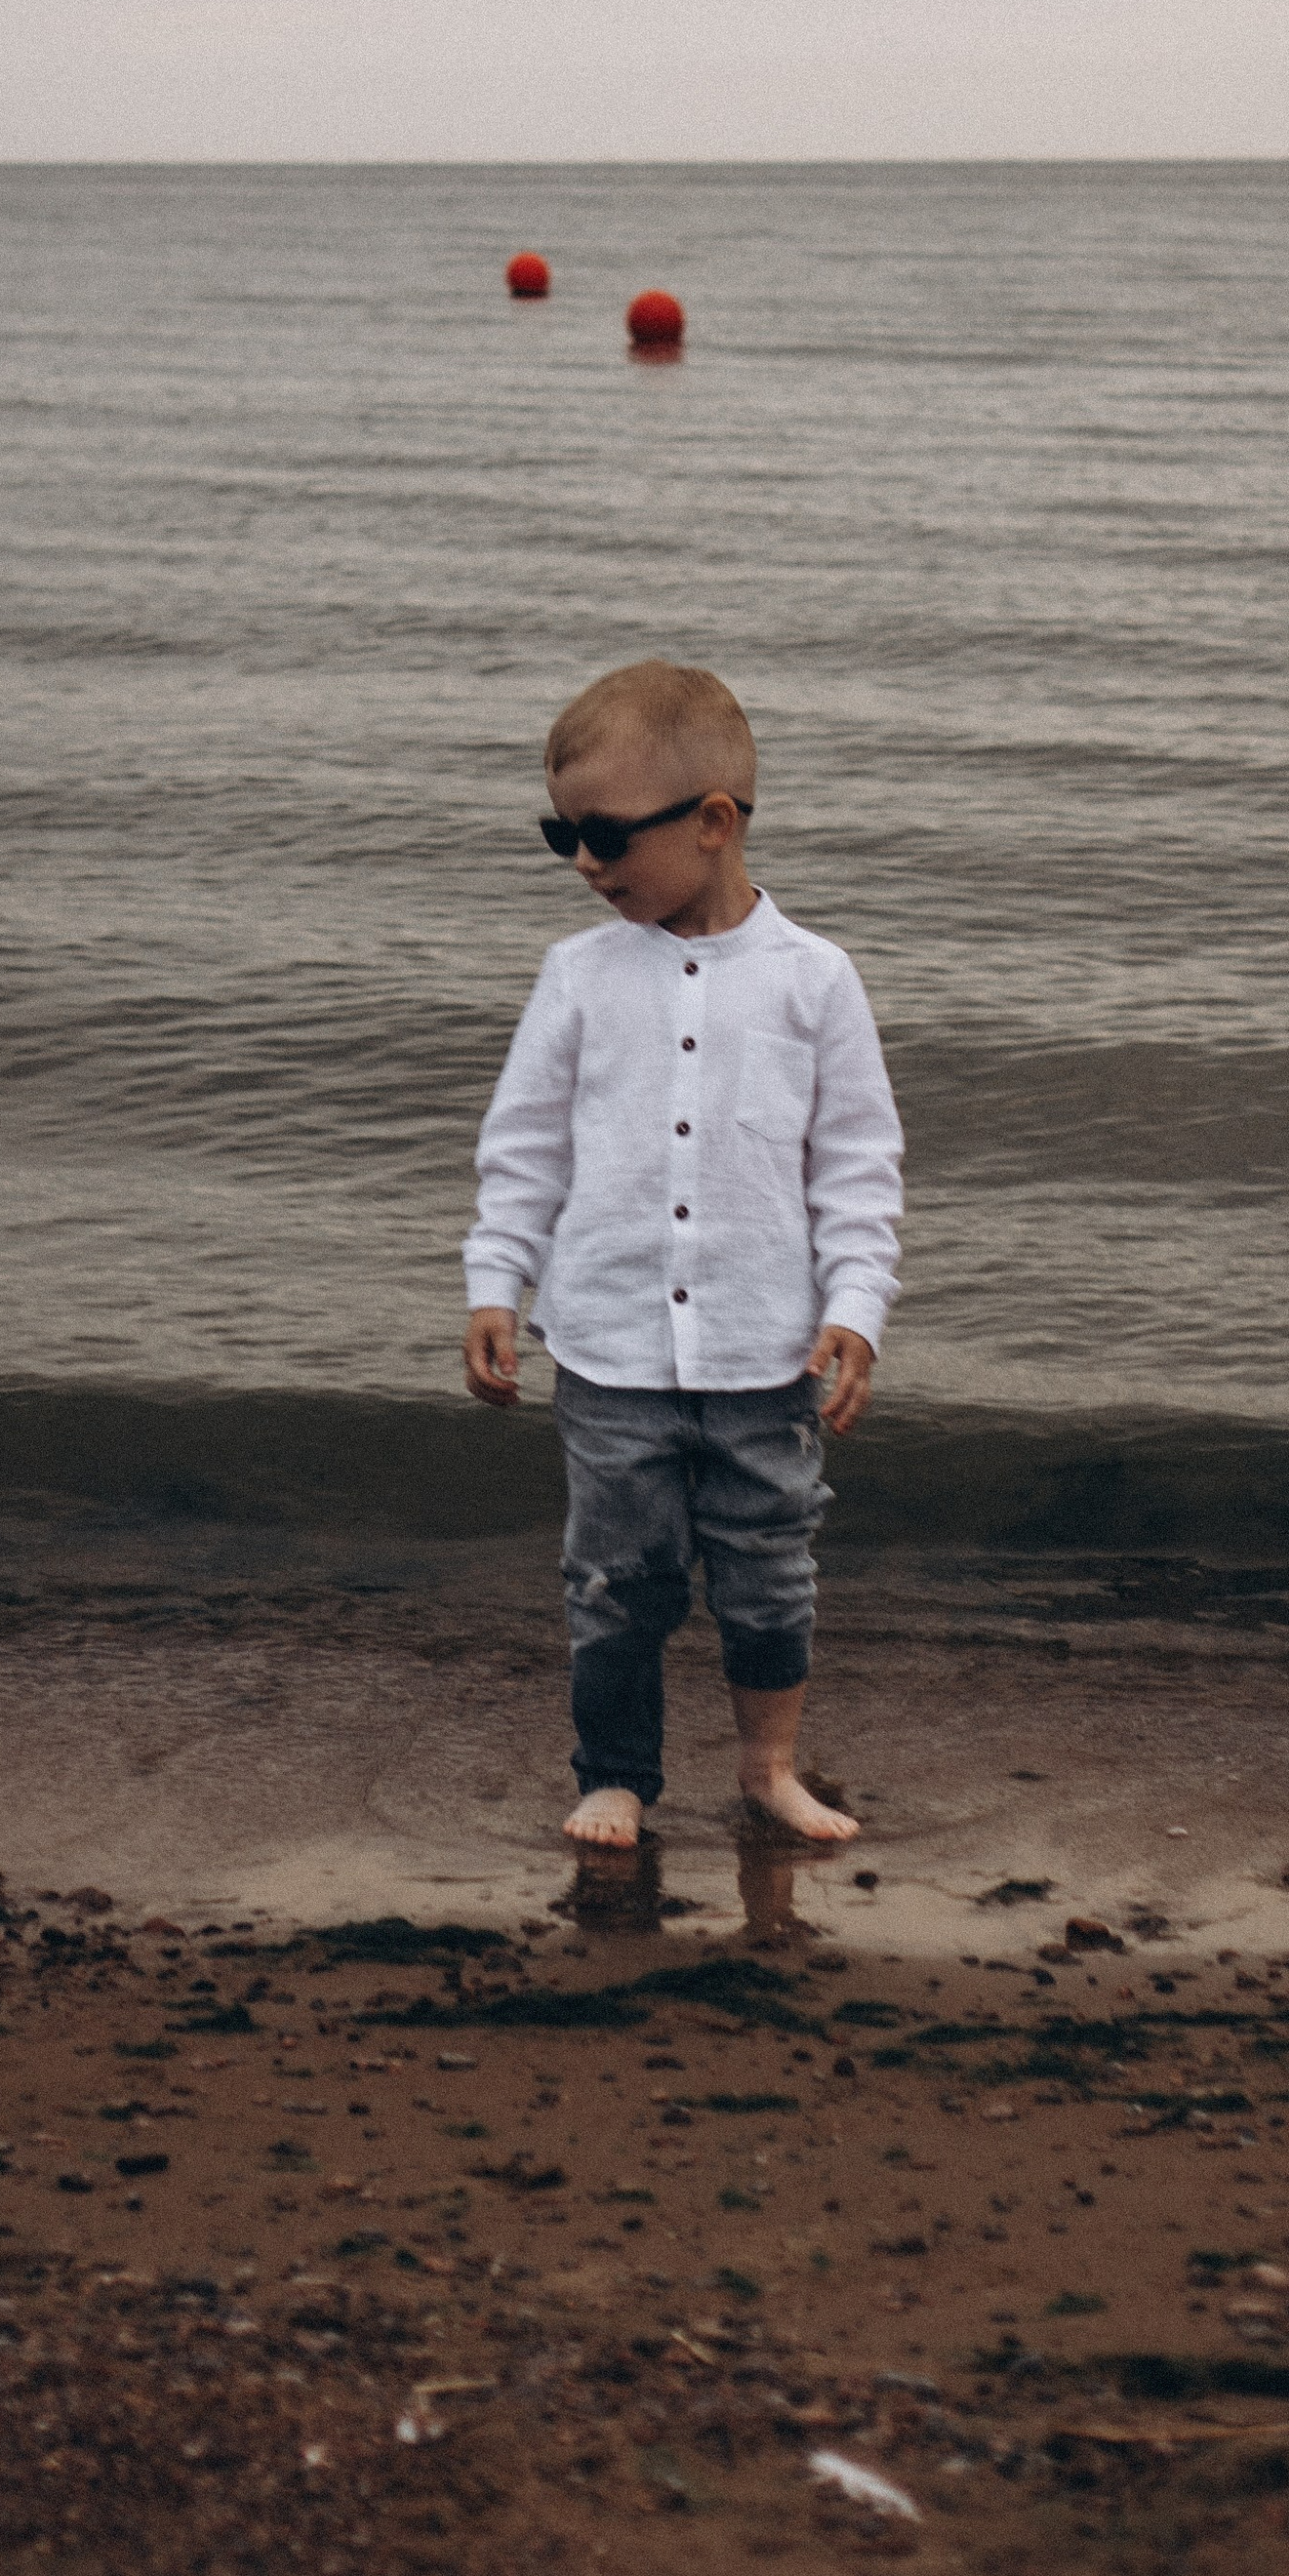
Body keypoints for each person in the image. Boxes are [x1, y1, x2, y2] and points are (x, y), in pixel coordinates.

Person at [461, 661, 903, 1849]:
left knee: (769, 1574)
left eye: (604, 835)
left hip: (766, 1357)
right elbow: (525, 1148)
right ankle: (615, 1774)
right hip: (609, 1353)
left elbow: (856, 1168)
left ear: (713, 823)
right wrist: (494, 1281)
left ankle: (768, 1768)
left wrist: (855, 1306)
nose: (583, 864)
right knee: (614, 1578)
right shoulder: (577, 977)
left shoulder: (816, 982)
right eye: (562, 834)